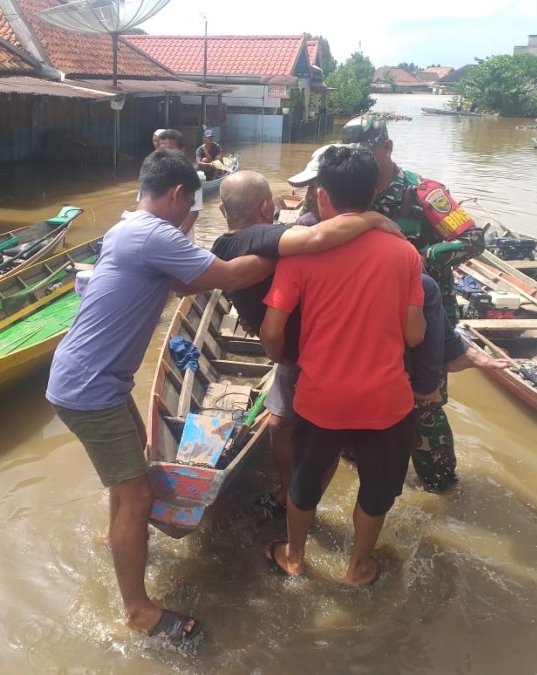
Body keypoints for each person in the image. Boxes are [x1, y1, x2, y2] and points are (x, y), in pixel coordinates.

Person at [47, 148, 274, 646]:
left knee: (132, 477)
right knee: (139, 492)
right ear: (176, 195)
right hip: (91, 388)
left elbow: (181, 280)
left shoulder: (126, 229)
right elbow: (230, 277)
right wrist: (283, 245)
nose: (190, 222)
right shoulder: (155, 233)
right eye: (192, 210)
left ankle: (115, 539)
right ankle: (138, 612)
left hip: (92, 379)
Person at [259, 145, 426, 584]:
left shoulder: (300, 254)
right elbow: (414, 335)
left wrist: (281, 357)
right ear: (373, 191)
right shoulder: (404, 253)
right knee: (377, 489)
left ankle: (294, 558)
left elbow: (272, 331)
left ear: (322, 197)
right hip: (386, 401)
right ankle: (357, 568)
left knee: (305, 481)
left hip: (321, 397)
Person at [210, 168, 404, 520]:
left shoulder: (223, 246)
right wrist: (372, 218)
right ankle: (294, 492)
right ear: (268, 207)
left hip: (302, 353)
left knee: (291, 428)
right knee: (288, 425)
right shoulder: (280, 237)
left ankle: (293, 493)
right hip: (298, 354)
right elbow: (312, 237)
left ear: (223, 212)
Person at [342, 115, 490, 493]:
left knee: (425, 404)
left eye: (366, 155)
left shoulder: (423, 193)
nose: (358, 164)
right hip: (371, 316)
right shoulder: (351, 189)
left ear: (387, 148)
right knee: (362, 396)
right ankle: (360, 474)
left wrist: (422, 257)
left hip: (427, 315)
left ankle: (439, 484)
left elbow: (473, 238)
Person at [156, 129, 202, 241]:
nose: (166, 154)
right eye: (162, 149)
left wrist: (175, 241)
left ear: (182, 151)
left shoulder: (190, 176)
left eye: (171, 149)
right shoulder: (152, 175)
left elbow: (193, 212)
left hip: (180, 242)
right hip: (155, 240)